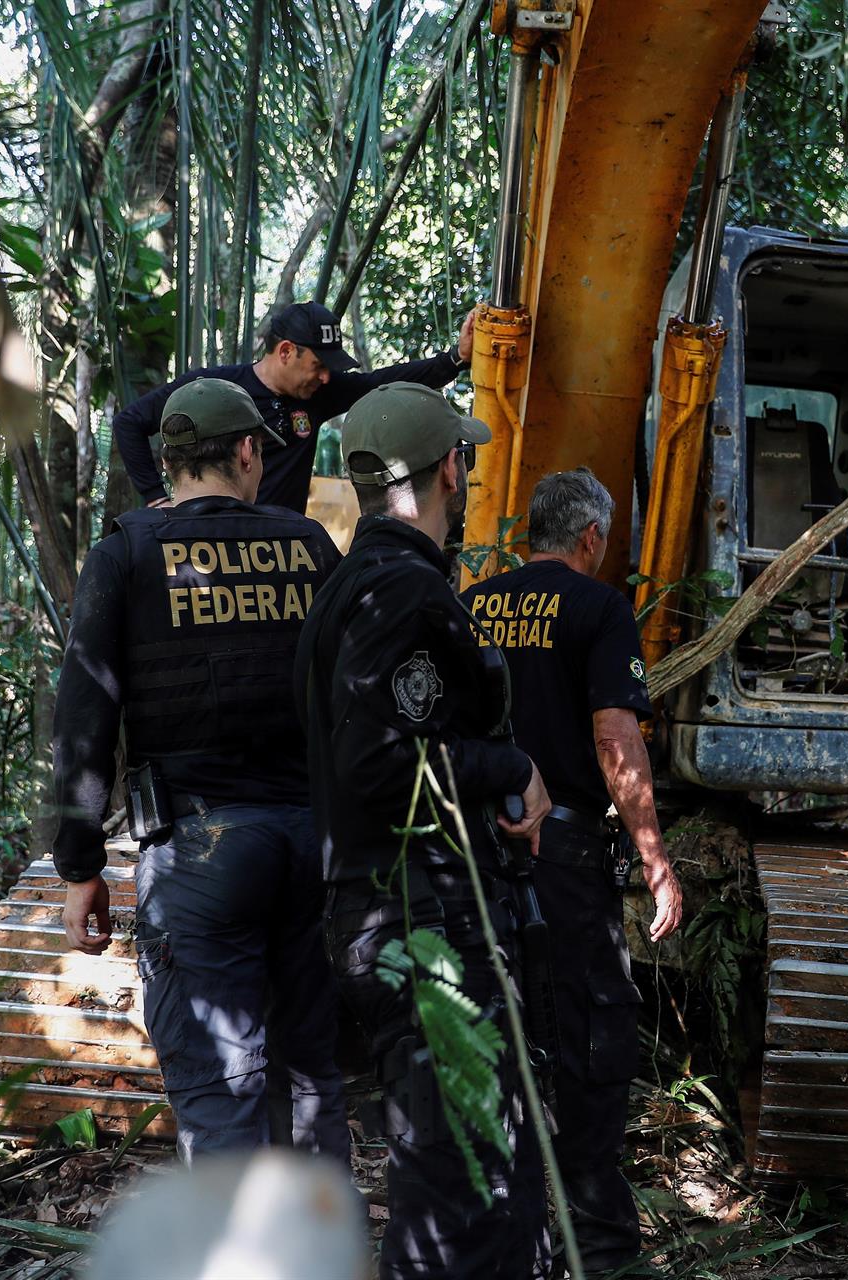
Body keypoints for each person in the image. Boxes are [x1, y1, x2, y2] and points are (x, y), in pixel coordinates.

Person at [54, 378, 346, 1163]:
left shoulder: (125, 554)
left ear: (169, 462)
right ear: (249, 451)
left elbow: (85, 717)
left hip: (198, 852)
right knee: (310, 1086)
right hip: (308, 850)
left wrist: (81, 865)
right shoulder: (311, 546)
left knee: (222, 1100)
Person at [297, 382, 553, 1279]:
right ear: (454, 468)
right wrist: (507, 769)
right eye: (467, 458)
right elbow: (378, 767)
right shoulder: (401, 597)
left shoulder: (344, 590)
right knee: (463, 1205)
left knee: (465, 1182)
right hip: (423, 924)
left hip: (393, 918)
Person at [459, 468, 685, 1276]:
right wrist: (655, 857)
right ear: (590, 538)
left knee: (499, 1036)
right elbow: (615, 738)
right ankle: (598, 1250)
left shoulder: (475, 602)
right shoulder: (598, 608)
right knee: (591, 1041)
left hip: (474, 858)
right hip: (562, 855)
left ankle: (511, 1239)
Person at [113, 302, 476, 513]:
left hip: (280, 549)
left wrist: (456, 358)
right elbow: (130, 422)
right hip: (212, 550)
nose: (325, 377)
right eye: (318, 365)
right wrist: (156, 498)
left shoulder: (318, 394)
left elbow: (382, 381)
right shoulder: (215, 389)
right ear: (286, 351)